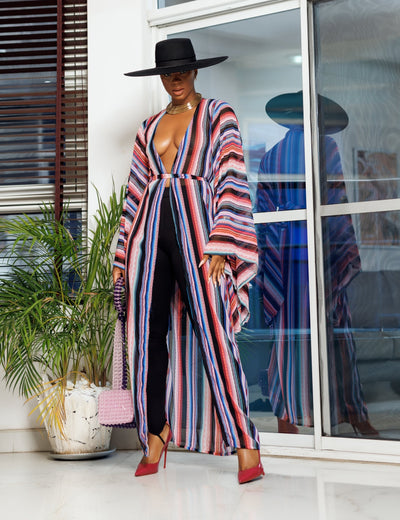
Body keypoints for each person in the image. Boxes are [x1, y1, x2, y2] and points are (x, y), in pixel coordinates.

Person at [112, 38, 264, 484]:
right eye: (167, 72)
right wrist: (123, 257)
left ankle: (245, 443)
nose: (175, 78)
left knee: (215, 334)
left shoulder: (220, 114)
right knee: (147, 336)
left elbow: (232, 175)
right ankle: (156, 433)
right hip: (149, 236)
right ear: (160, 76)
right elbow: (135, 194)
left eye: (182, 70)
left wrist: (221, 243)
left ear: (195, 71)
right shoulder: (148, 127)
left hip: (200, 234)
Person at [256, 91, 377, 436]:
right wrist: (342, 252)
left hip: (285, 260)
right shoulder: (326, 149)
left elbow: (263, 217)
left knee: (287, 342)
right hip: (320, 256)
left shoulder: (271, 157)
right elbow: (336, 201)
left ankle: (286, 420)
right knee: (336, 336)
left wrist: (268, 264)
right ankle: (355, 417)